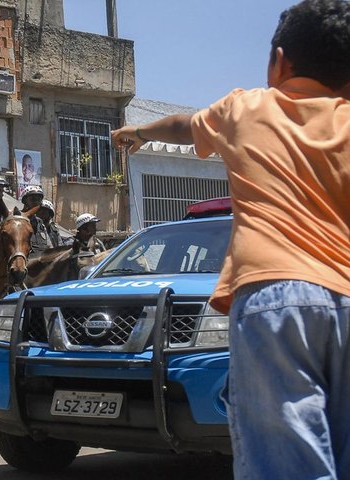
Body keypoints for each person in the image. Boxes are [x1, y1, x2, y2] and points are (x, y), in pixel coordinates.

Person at [111, 1, 350, 477]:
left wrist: (138, 130)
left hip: (275, 298)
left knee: (285, 464)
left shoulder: (248, 107)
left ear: (278, 61)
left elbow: (185, 126)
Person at [20, 184, 50, 256]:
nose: (36, 202)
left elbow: (49, 246)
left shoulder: (40, 222)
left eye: (39, 200)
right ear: (25, 201)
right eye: (33, 199)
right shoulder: (18, 219)